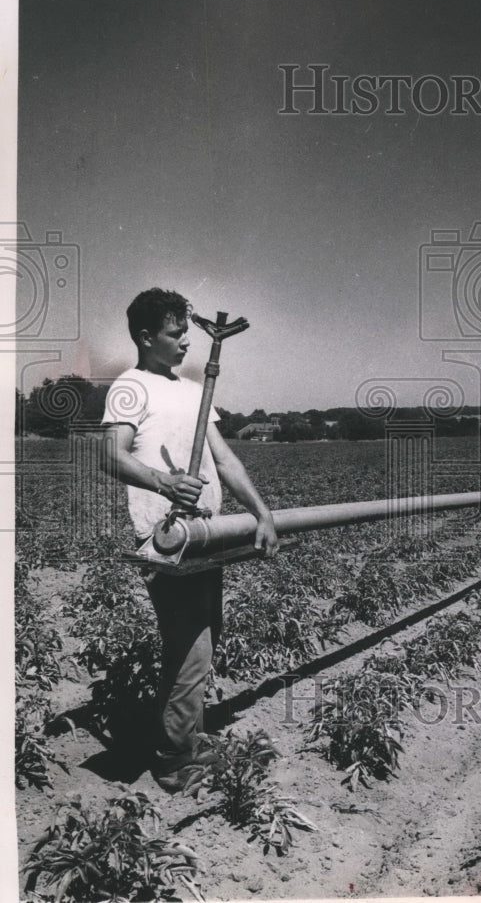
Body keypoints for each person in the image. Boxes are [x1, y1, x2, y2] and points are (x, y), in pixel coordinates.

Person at [101, 288, 278, 792]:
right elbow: (110, 456)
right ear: (145, 336)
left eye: (185, 332)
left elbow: (224, 459)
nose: (185, 343)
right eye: (176, 334)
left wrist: (261, 513)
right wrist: (165, 483)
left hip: (207, 532)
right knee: (191, 647)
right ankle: (176, 760)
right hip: (167, 535)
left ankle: (187, 738)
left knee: (205, 639)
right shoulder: (130, 387)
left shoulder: (192, 389)